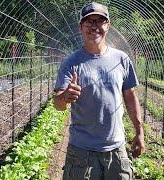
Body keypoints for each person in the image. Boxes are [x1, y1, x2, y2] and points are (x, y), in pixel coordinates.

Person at [53, 2, 145, 180]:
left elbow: (130, 96)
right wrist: (64, 97)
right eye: (89, 21)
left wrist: (139, 132)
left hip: (116, 149)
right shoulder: (71, 63)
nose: (94, 26)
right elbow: (58, 105)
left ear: (107, 26)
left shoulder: (121, 59)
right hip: (82, 152)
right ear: (81, 27)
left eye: (100, 21)